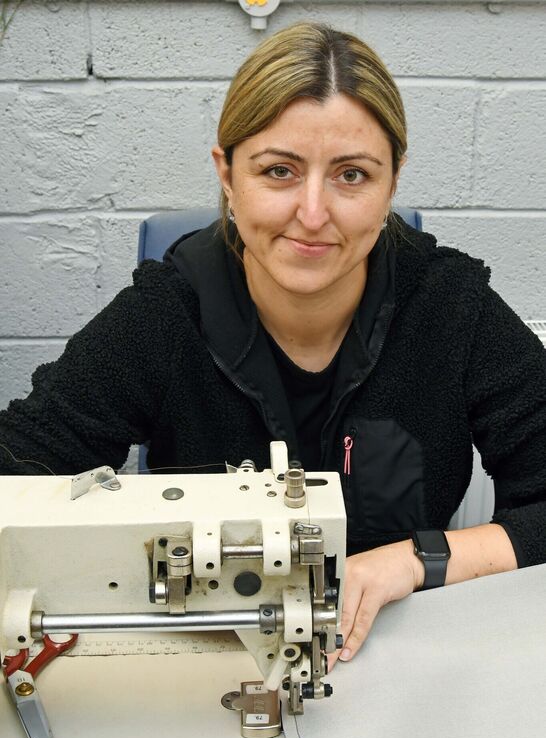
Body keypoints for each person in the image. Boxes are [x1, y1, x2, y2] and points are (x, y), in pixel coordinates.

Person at [0, 23, 544, 668]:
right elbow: (21, 463)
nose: (312, 214)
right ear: (227, 174)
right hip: (216, 647)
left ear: (393, 182)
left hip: (401, 645)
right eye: (279, 171)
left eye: (351, 175)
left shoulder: (452, 307)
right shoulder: (166, 313)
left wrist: (417, 559)